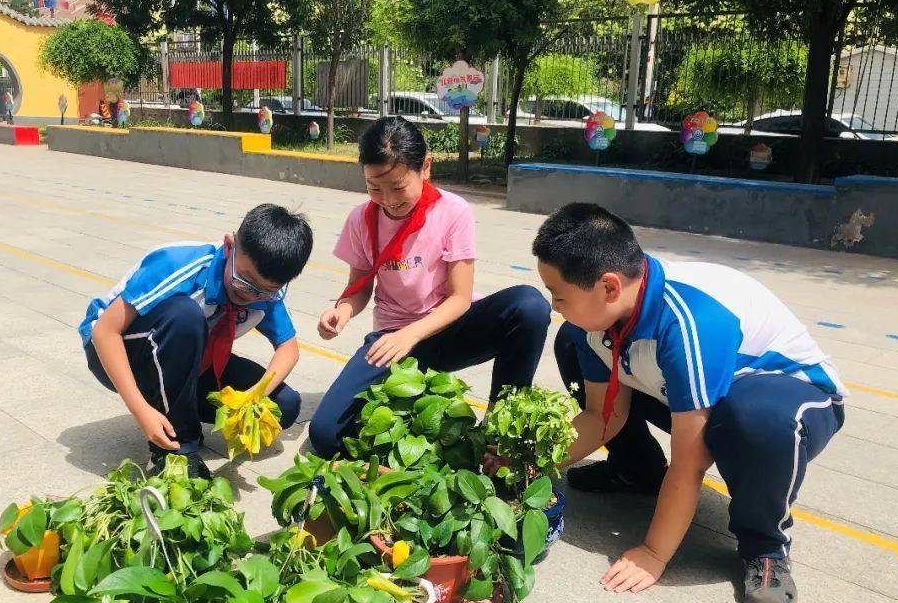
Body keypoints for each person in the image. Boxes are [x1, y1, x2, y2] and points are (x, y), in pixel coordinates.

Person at [533, 203, 845, 603]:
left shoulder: (688, 321)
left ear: (609, 287)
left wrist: (653, 552)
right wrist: (532, 464)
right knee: (571, 342)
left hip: (785, 395)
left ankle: (765, 545)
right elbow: (601, 416)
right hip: (696, 388)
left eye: (559, 296)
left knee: (756, 420)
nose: (554, 306)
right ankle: (637, 471)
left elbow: (689, 462)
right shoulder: (601, 318)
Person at [309, 116, 551, 456]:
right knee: (324, 436)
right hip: (392, 340)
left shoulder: (453, 212)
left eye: (398, 187)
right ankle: (406, 411)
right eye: (374, 188)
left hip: (449, 329)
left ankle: (499, 429)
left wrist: (412, 333)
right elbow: (359, 287)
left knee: (529, 306)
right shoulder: (361, 219)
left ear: (425, 167)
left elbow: (461, 299)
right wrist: (341, 311)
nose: (388, 200)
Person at [79, 204, 314, 478]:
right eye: (245, 281)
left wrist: (253, 397)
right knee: (186, 316)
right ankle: (179, 448)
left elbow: (289, 348)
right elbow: (105, 333)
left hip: (191, 356)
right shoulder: (179, 264)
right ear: (229, 246)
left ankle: (179, 410)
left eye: (266, 290)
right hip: (119, 350)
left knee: (283, 406)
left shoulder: (266, 293)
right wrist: (142, 412)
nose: (250, 295)